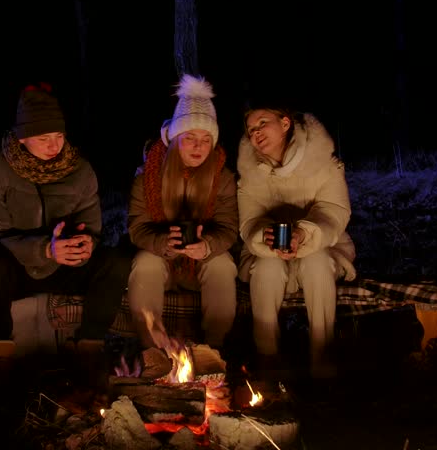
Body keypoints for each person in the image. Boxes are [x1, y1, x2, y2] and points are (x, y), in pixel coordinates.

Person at [0, 83, 130, 383]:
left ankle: (89, 348)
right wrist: (44, 248)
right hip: (15, 268)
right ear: (22, 137)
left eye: (59, 136)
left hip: (63, 264)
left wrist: (85, 244)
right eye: (44, 138)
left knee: (115, 261)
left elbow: (92, 226)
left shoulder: (79, 170)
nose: (54, 145)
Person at [236, 102, 357, 381]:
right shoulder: (250, 172)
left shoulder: (320, 160)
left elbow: (334, 209)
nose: (256, 133)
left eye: (263, 123)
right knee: (266, 268)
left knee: (316, 263)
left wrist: (304, 233)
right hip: (269, 250)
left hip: (321, 244)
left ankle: (322, 356)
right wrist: (263, 236)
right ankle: (267, 358)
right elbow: (249, 221)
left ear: (285, 122)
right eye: (251, 129)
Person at [127, 74, 239, 350]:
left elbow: (228, 227)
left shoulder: (222, 177)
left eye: (205, 139)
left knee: (222, 264)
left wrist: (207, 245)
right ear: (175, 139)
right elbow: (137, 227)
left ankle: (213, 351)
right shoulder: (148, 176)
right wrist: (164, 243)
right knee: (144, 264)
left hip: (200, 259)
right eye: (190, 137)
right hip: (163, 256)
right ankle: (153, 348)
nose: (199, 146)